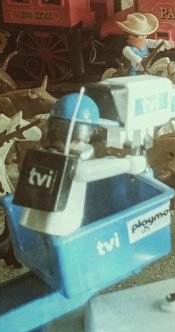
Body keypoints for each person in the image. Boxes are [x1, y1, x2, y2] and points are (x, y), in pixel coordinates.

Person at [14, 92, 146, 236]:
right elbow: (84, 171)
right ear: (81, 133)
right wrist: (129, 164)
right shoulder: (69, 164)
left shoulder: (40, 155)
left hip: (30, 223)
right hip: (61, 229)